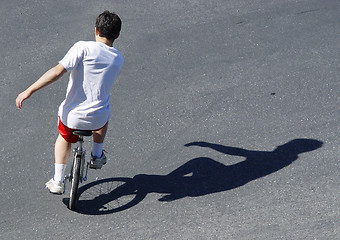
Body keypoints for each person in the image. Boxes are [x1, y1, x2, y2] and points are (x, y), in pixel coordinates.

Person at [15, 11, 124, 194]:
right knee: (104, 110)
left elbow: (58, 72)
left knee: (64, 137)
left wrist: (29, 90)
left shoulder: (83, 48)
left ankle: (58, 180)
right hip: (98, 119)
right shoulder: (118, 58)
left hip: (73, 117)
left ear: (96, 30)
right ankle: (97, 155)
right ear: (118, 35)